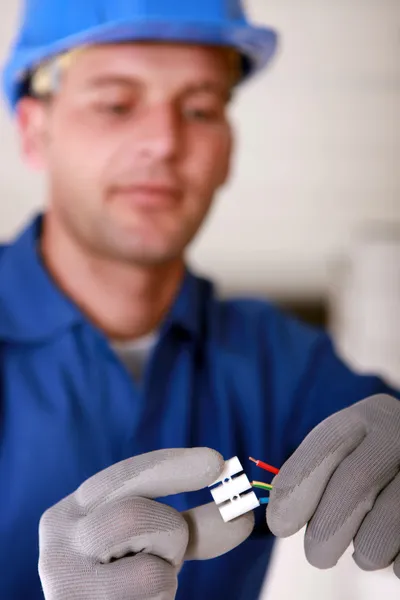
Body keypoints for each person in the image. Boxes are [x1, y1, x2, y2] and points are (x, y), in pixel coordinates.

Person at [0, 1, 399, 599]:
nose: (164, 141)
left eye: (199, 108)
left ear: (228, 149)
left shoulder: (283, 364)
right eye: (116, 103)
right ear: (35, 131)